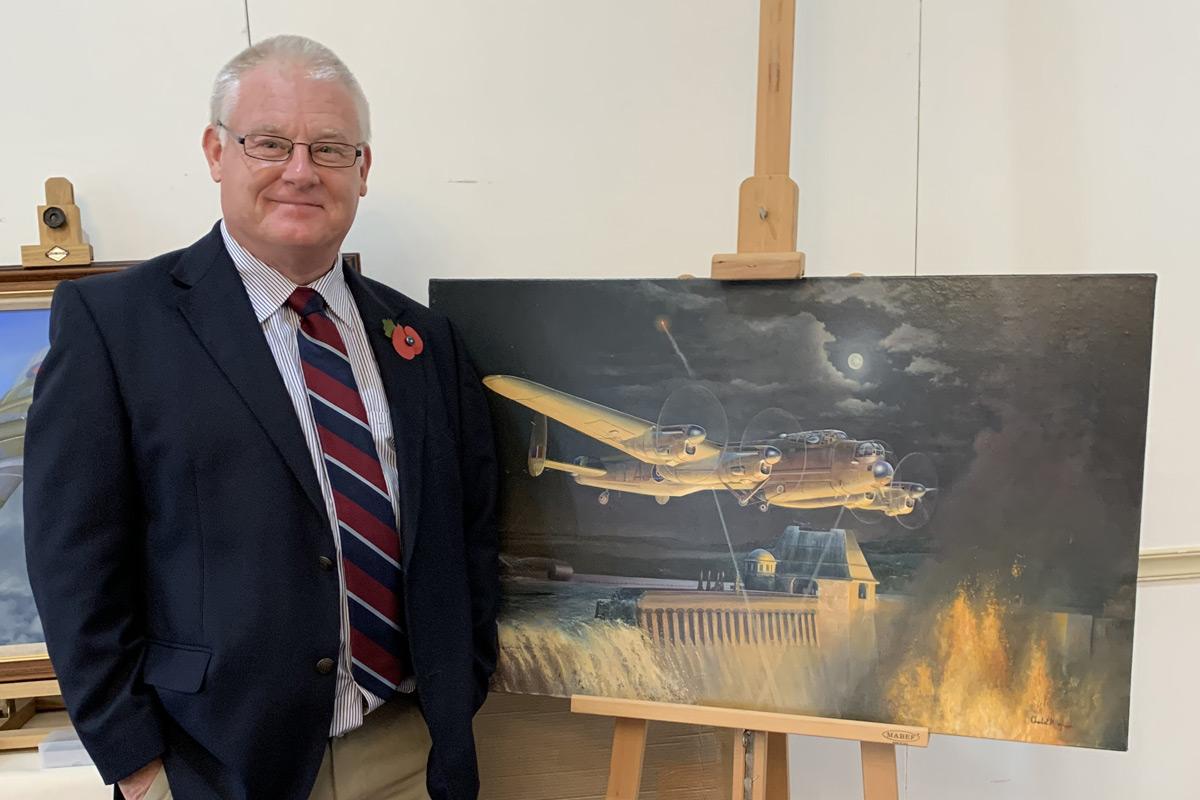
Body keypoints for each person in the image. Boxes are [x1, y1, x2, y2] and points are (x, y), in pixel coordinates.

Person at [23, 35, 499, 800]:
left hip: (407, 752)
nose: (301, 170)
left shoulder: (422, 341)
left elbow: (468, 532)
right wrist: (137, 765)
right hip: (212, 764)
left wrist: (459, 682)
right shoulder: (116, 325)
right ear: (217, 152)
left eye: (331, 148)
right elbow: (72, 560)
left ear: (363, 170)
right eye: (270, 142)